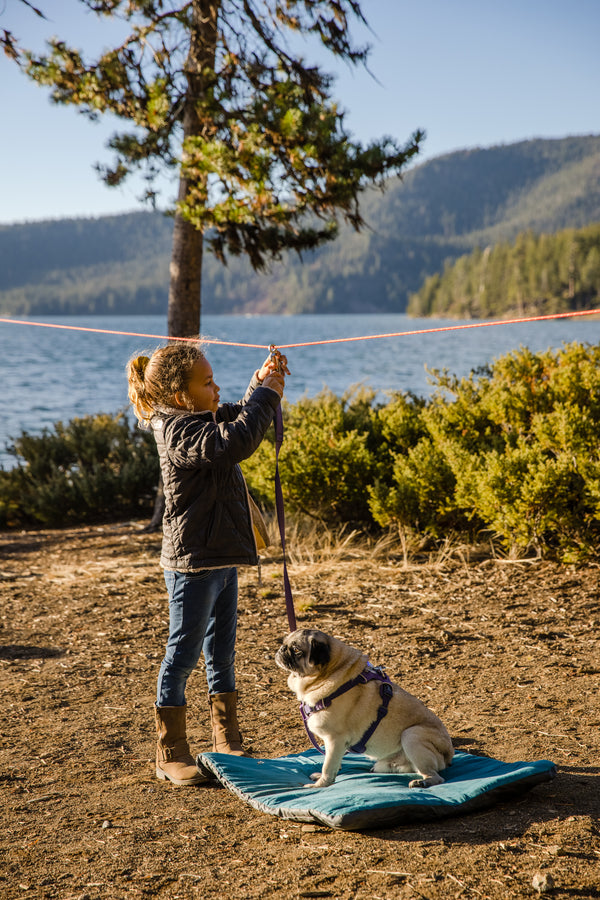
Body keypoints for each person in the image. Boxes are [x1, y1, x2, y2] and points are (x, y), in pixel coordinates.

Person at [126, 341, 287, 786]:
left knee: (221, 651)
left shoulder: (196, 417)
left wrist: (259, 386)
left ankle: (226, 737)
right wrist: (267, 396)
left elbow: (233, 417)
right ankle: (170, 750)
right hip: (192, 563)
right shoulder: (177, 431)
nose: (217, 388)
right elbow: (232, 442)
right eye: (208, 382)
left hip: (221, 556)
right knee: (183, 654)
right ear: (181, 396)